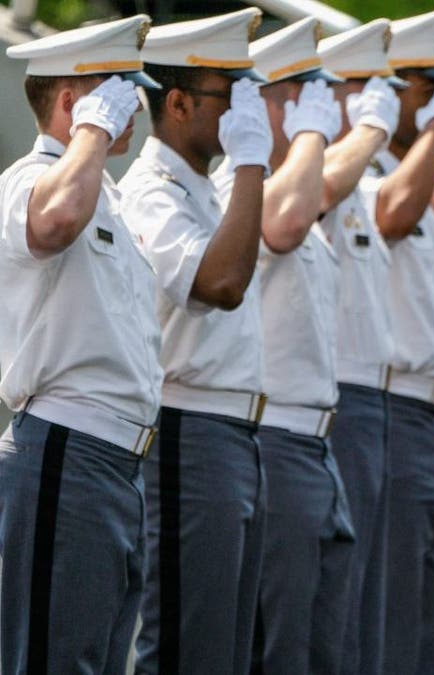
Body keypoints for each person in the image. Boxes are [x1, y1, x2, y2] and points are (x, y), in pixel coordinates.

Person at [1, 16, 162, 674]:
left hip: (116, 465)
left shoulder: (111, 197)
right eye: (120, 90)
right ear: (72, 101)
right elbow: (55, 219)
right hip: (63, 452)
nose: (136, 107)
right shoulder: (28, 181)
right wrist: (91, 128)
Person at [119, 8, 271, 674]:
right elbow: (223, 282)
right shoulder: (153, 192)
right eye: (228, 94)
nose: (245, 109)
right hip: (186, 428)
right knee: (188, 646)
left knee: (226, 649)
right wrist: (254, 167)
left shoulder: (204, 191)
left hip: (233, 432)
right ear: (177, 103)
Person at [208, 18, 356, 674]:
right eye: (305, 95)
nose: (322, 111)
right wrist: (314, 133)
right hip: (275, 439)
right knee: (277, 648)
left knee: (318, 647)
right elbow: (285, 223)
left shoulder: (293, 186)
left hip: (314, 443)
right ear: (270, 102)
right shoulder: (237, 188)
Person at [359, 10, 434, 673]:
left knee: (427, 613)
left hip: (429, 416)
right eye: (422, 85)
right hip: (392, 408)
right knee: (390, 615)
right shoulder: (372, 168)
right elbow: (393, 214)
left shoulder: (408, 168)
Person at [315, 18, 405, 675]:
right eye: (365, 89)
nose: (386, 102)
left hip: (373, 401)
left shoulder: (365, 177)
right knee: (332, 612)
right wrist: (368, 128)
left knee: (367, 610)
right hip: (336, 402)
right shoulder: (317, 173)